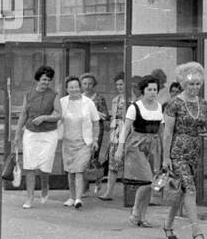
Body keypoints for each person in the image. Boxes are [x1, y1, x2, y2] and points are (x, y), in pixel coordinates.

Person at [161, 62, 207, 239]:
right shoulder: (174, 104)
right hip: (177, 152)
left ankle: (167, 224)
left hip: (194, 152)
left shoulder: (203, 104)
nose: (195, 87)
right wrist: (166, 158)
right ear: (183, 83)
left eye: (198, 84)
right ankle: (196, 231)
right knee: (190, 189)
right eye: (191, 84)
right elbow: (167, 133)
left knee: (182, 191)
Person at [115, 75, 164, 227]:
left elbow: (161, 131)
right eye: (149, 89)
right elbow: (125, 129)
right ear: (143, 91)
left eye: (155, 89)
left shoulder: (159, 106)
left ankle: (142, 217)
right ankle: (136, 209)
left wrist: (164, 150)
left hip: (154, 145)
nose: (153, 92)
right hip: (137, 144)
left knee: (151, 181)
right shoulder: (134, 107)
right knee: (147, 180)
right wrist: (120, 147)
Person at [12, 66, 61, 209]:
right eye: (44, 79)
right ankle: (30, 197)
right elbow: (23, 114)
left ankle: (45, 186)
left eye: (49, 80)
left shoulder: (54, 95)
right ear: (38, 79)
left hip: (48, 134)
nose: (46, 82)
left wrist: (45, 117)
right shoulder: (28, 94)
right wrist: (17, 134)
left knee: (45, 166)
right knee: (30, 166)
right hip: (31, 133)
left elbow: (59, 114)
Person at [57, 76, 99, 208]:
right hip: (68, 141)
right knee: (70, 171)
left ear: (79, 87)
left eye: (76, 87)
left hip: (84, 142)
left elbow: (96, 122)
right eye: (71, 87)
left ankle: (78, 199)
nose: (74, 89)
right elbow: (56, 118)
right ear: (66, 89)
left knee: (79, 170)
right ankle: (72, 196)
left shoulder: (88, 103)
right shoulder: (62, 102)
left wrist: (95, 139)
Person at [97, 74, 126, 200]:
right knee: (113, 164)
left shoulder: (132, 100)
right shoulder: (115, 99)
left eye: (122, 84)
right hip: (116, 133)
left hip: (127, 132)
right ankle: (109, 192)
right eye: (118, 84)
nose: (119, 87)